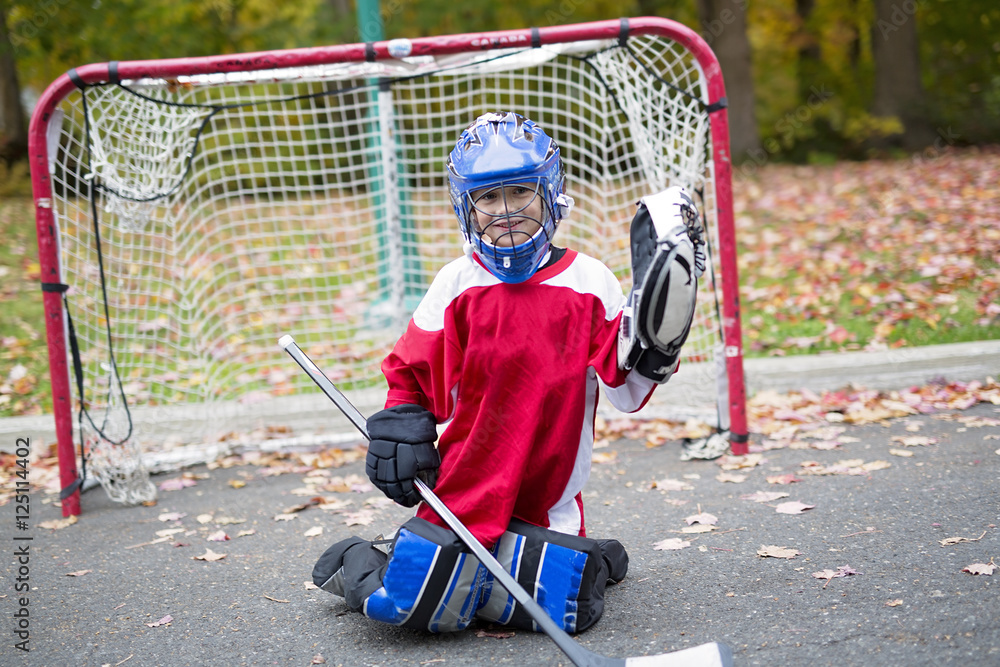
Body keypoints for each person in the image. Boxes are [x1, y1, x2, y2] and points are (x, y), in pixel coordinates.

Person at [312, 111, 704, 634]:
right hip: (462, 500)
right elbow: (410, 376)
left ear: (550, 193)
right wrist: (401, 424)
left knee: (569, 612)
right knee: (406, 608)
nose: (505, 211)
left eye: (519, 192)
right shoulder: (456, 283)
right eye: (487, 198)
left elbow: (628, 394)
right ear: (466, 206)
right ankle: (360, 558)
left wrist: (661, 340)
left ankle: (585, 556)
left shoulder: (591, 282)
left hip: (548, 505)